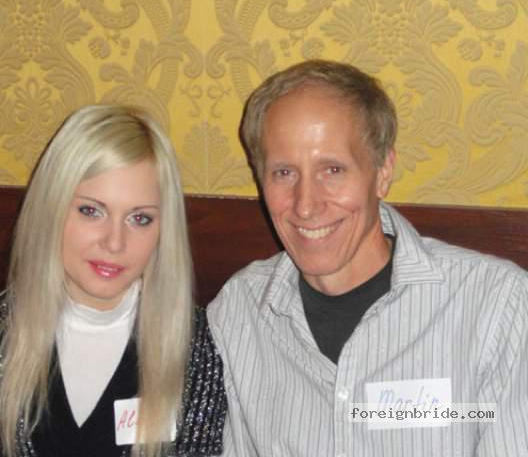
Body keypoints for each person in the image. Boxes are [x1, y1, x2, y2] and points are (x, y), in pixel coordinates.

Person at [207, 60, 528, 455]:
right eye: (284, 173)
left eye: (333, 169)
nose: (306, 205)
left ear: (382, 171)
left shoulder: (496, 306)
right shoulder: (239, 312)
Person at [0, 105, 227, 457]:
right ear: (51, 209)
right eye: (91, 211)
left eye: (139, 218)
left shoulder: (197, 345)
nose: (115, 243)